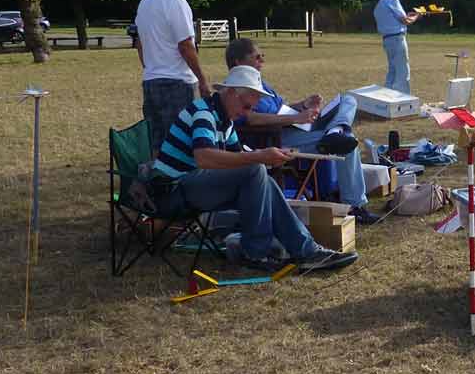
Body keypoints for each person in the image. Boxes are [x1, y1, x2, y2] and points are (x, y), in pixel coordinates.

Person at [151, 65, 358, 272]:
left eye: (250, 108)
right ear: (231, 92)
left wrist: (270, 158)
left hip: (190, 187)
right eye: (246, 106)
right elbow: (205, 157)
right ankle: (256, 253)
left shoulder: (224, 119)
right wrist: (259, 157)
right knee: (255, 170)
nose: (245, 112)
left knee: (263, 179)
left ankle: (306, 251)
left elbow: (238, 158)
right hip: (171, 192)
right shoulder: (203, 114)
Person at [223, 38, 382, 225]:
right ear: (238, 62)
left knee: (348, 100)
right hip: (273, 139)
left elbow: (280, 109)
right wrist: (296, 118)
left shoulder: (260, 83)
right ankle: (355, 205)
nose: (262, 61)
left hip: (294, 128)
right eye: (256, 57)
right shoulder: (236, 90)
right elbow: (251, 118)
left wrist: (302, 105)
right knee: (347, 143)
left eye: (262, 56)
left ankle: (335, 131)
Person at [136, 0, 210, 158]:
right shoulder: (176, 2)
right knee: (181, 144)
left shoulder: (145, 2)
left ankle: (157, 178)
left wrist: (151, 67)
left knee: (157, 146)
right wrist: (202, 80)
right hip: (177, 84)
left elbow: (139, 43)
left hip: (151, 83)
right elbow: (185, 45)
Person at [373, 0, 419, 94]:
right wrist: (417, 16)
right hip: (397, 39)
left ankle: (387, 96)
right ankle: (403, 98)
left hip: (387, 40)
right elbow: (405, 20)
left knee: (392, 71)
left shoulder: (378, 6)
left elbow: (396, 19)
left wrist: (408, 16)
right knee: (402, 71)